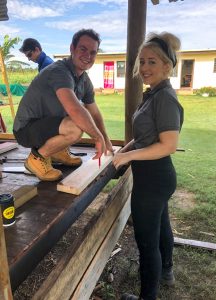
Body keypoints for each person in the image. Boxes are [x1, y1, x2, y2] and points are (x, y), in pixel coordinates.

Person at [113, 32, 184, 300]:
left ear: (167, 65)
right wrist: (127, 148)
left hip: (153, 179)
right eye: (141, 62)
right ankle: (166, 271)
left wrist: (129, 158)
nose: (144, 68)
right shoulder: (154, 94)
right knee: (161, 225)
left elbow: (168, 145)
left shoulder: (164, 97)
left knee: (146, 242)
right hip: (157, 178)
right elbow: (146, 137)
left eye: (152, 62)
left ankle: (147, 297)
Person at [13, 29, 113, 181]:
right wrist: (97, 137)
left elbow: (94, 112)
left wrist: (105, 138)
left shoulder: (84, 80)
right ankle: (36, 158)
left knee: (81, 121)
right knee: (76, 126)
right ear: (72, 49)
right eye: (83, 49)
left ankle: (57, 152)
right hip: (26, 129)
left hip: (46, 126)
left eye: (93, 52)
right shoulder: (60, 71)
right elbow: (74, 108)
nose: (88, 56)